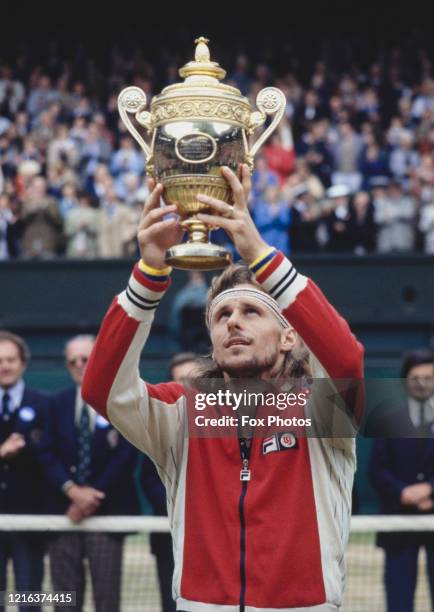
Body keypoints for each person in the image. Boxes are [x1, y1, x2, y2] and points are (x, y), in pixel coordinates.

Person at [82, 165, 364, 611]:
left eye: (252, 312)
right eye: (221, 315)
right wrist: (149, 271)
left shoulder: (321, 410)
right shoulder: (180, 413)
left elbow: (346, 358)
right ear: (212, 341)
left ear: (288, 336)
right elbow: (101, 389)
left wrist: (259, 253)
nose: (233, 320)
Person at [38, 335, 138, 612]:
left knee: (107, 600)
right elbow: (45, 453)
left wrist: (90, 497)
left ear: (98, 358)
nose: (79, 365)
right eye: (73, 361)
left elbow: (126, 455)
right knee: (65, 600)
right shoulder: (55, 404)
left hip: (106, 516)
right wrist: (71, 490)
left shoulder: (120, 401)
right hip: (63, 516)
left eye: (85, 358)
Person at [369, 349, 434, 612]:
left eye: (429, 378)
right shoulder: (387, 420)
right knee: (398, 602)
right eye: (416, 378)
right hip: (398, 524)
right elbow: (376, 470)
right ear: (405, 381)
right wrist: (402, 493)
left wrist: (430, 489)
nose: (422, 384)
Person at [138, 353, 198, 612]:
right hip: (167, 536)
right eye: (180, 380)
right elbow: (146, 477)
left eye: (193, 380)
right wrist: (179, 505)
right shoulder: (158, 428)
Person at [0, 331, 49, 612]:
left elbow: (50, 457)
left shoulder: (44, 404)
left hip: (29, 522)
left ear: (22, 363)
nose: (4, 366)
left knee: (29, 600)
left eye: (10, 359)